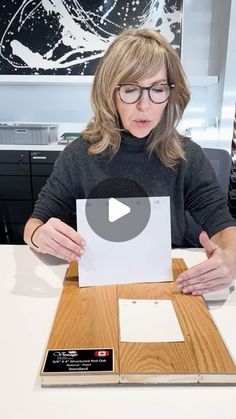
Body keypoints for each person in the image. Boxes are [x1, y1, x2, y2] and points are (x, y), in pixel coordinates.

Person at [24, 28, 236, 296]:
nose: (144, 105)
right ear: (110, 93)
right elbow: (35, 223)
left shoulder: (187, 156)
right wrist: (39, 235)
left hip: (167, 287)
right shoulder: (78, 156)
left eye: (158, 89)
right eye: (130, 89)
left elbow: (223, 224)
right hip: (96, 285)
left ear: (171, 93)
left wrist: (230, 260)